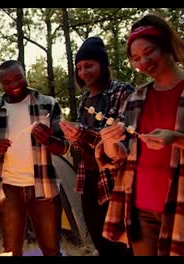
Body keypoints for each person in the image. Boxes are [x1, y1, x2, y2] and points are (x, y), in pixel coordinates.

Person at [96, 14, 184, 256]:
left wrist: (175, 138)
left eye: (149, 52)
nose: (143, 61)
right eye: (136, 58)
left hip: (179, 210)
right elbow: (121, 157)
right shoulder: (136, 98)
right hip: (140, 209)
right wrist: (110, 143)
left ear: (166, 46)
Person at [0, 60, 69, 256]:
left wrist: (48, 139)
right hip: (8, 188)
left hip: (44, 186)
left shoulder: (48, 104)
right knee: (10, 250)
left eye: (18, 78)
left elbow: (63, 147)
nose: (13, 84)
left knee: (51, 248)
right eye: (7, 81)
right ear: (0, 83)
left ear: (24, 73)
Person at [58, 36, 134, 256]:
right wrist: (75, 139)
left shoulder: (122, 92)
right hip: (88, 180)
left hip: (115, 182)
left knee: (121, 244)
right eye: (79, 68)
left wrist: (82, 132)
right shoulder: (84, 100)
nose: (84, 72)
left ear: (103, 64)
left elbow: (124, 138)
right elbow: (84, 147)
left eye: (89, 65)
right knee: (100, 241)